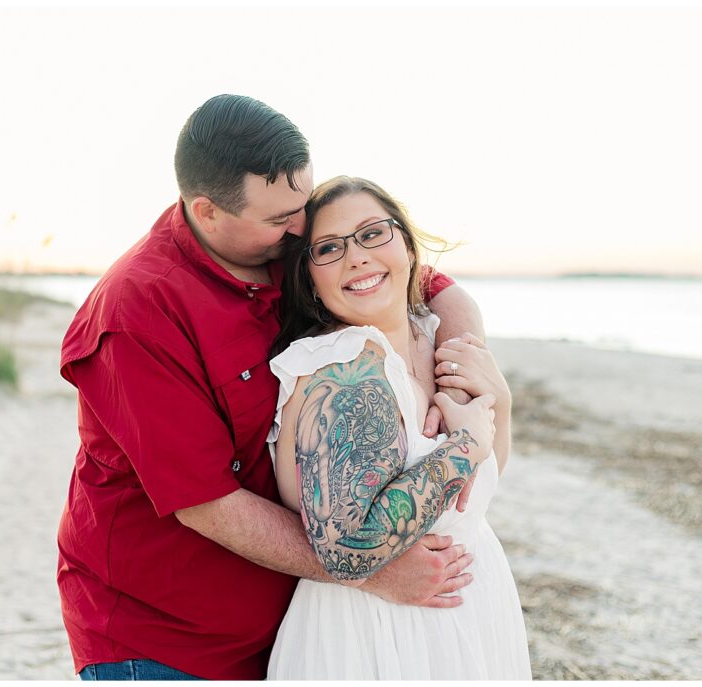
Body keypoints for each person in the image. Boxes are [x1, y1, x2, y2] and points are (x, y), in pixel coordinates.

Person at [56, 95, 488, 681]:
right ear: (207, 212)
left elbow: (435, 286)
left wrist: (460, 378)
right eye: (280, 218)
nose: (301, 227)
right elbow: (209, 506)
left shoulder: (294, 246)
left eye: (302, 206)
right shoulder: (136, 313)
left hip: (294, 621)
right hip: (166, 639)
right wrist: (369, 566)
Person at [266, 175, 530, 679]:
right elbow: (346, 548)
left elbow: (480, 488)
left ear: (407, 246)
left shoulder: (437, 335)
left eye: (371, 234)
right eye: (329, 248)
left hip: (474, 605)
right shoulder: (341, 367)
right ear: (310, 278)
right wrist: (466, 444)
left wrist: (503, 404)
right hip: (377, 631)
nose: (356, 256)